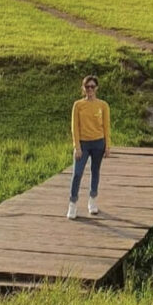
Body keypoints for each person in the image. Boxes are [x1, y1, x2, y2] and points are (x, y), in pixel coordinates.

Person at [67, 74, 110, 219]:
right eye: (87, 87)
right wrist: (77, 146)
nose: (90, 89)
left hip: (98, 143)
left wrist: (108, 146)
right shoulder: (78, 105)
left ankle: (92, 200)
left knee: (95, 171)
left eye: (92, 86)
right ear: (83, 88)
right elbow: (75, 127)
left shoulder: (103, 105)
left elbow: (106, 126)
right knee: (77, 173)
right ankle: (72, 204)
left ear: (96, 88)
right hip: (83, 144)